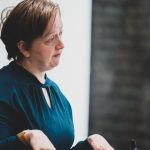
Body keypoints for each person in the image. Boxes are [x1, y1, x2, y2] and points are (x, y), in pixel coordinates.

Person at [0, 0, 114, 150]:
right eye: (51, 38)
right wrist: (27, 137)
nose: (61, 44)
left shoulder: (56, 94)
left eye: (60, 33)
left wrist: (89, 145)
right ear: (24, 48)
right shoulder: (4, 87)